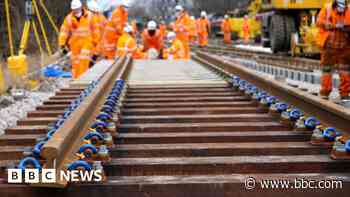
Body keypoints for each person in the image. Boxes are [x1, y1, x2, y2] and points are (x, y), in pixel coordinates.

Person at [317, 0, 350, 100]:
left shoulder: (349, 10)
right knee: (327, 69)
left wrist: (346, 27)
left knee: (344, 70)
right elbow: (319, 22)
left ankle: (345, 93)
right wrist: (328, 24)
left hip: (344, 47)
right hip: (329, 46)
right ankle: (325, 92)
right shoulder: (327, 9)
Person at [59, 0, 93, 79]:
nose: (76, 11)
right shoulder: (69, 18)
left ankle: (83, 80)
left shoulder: (89, 16)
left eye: (77, 9)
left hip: (86, 43)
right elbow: (64, 31)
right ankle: (76, 81)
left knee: (84, 62)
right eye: (74, 10)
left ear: (81, 7)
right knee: (75, 64)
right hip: (74, 45)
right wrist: (62, 45)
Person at [87, 0, 106, 65]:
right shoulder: (102, 17)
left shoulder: (92, 18)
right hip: (102, 48)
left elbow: (96, 37)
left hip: (95, 50)